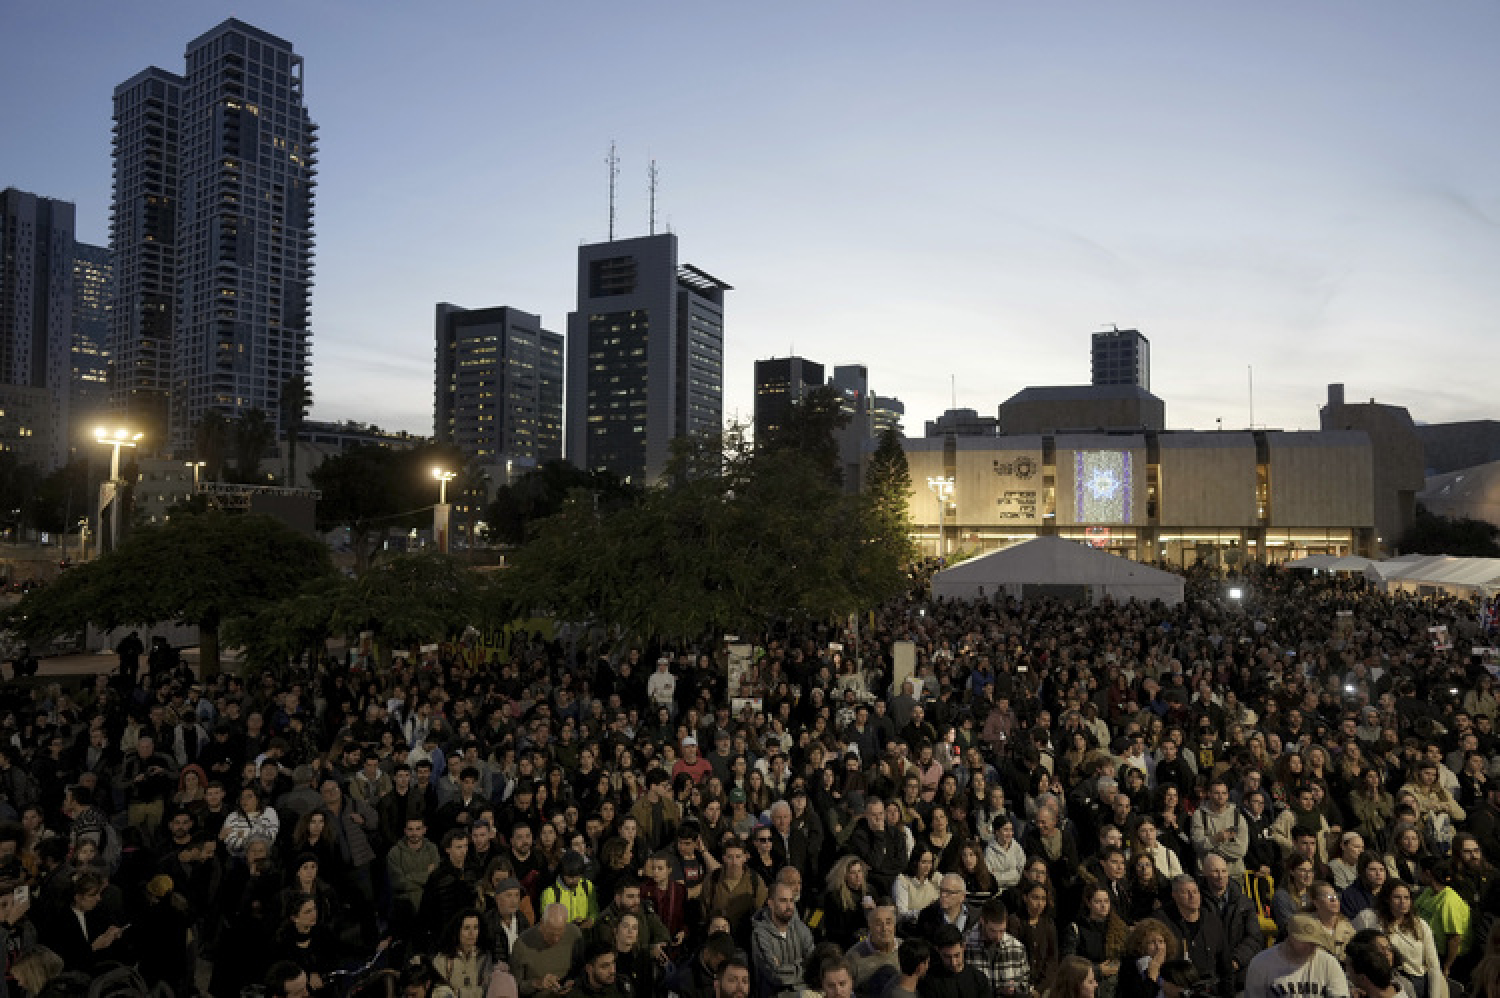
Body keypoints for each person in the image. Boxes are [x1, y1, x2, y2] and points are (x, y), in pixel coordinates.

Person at [1353, 880, 1446, 998]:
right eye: (1397, 897)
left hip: (1418, 981)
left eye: (1406, 898)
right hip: (1387, 982)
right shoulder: (1370, 919)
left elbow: (1433, 965)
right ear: (1387, 899)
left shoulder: (1420, 925)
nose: (1403, 902)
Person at [1243, 914, 1350, 998]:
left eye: (1316, 942)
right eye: (1306, 942)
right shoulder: (1261, 964)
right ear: (1290, 938)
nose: (1313, 947)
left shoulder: (1328, 963)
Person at [752, 881, 815, 998]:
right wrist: (802, 965)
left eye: (791, 900)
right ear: (770, 903)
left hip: (803, 994)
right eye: (783, 900)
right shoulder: (760, 934)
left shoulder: (801, 928)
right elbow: (775, 975)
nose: (789, 906)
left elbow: (814, 967)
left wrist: (783, 967)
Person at [510, 903, 583, 998]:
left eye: (560, 934)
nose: (556, 939)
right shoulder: (521, 944)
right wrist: (537, 983)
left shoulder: (574, 934)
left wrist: (574, 981)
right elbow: (515, 987)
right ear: (542, 924)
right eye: (551, 934)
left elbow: (583, 969)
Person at [967, 898, 1031, 997]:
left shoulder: (1016, 948)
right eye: (992, 930)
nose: (998, 936)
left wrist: (1014, 990)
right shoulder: (966, 946)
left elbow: (1025, 984)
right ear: (982, 921)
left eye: (1002, 930)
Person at [431, 909, 493, 998]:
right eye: (467, 928)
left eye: (475, 928)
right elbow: (437, 992)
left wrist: (459, 993)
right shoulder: (442, 959)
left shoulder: (484, 957)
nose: (472, 933)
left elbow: (486, 990)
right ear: (457, 931)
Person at [919, 923, 990, 998]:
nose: (953, 963)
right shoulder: (930, 981)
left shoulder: (979, 979)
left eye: (957, 955)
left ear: (963, 947)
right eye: (947, 957)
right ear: (938, 950)